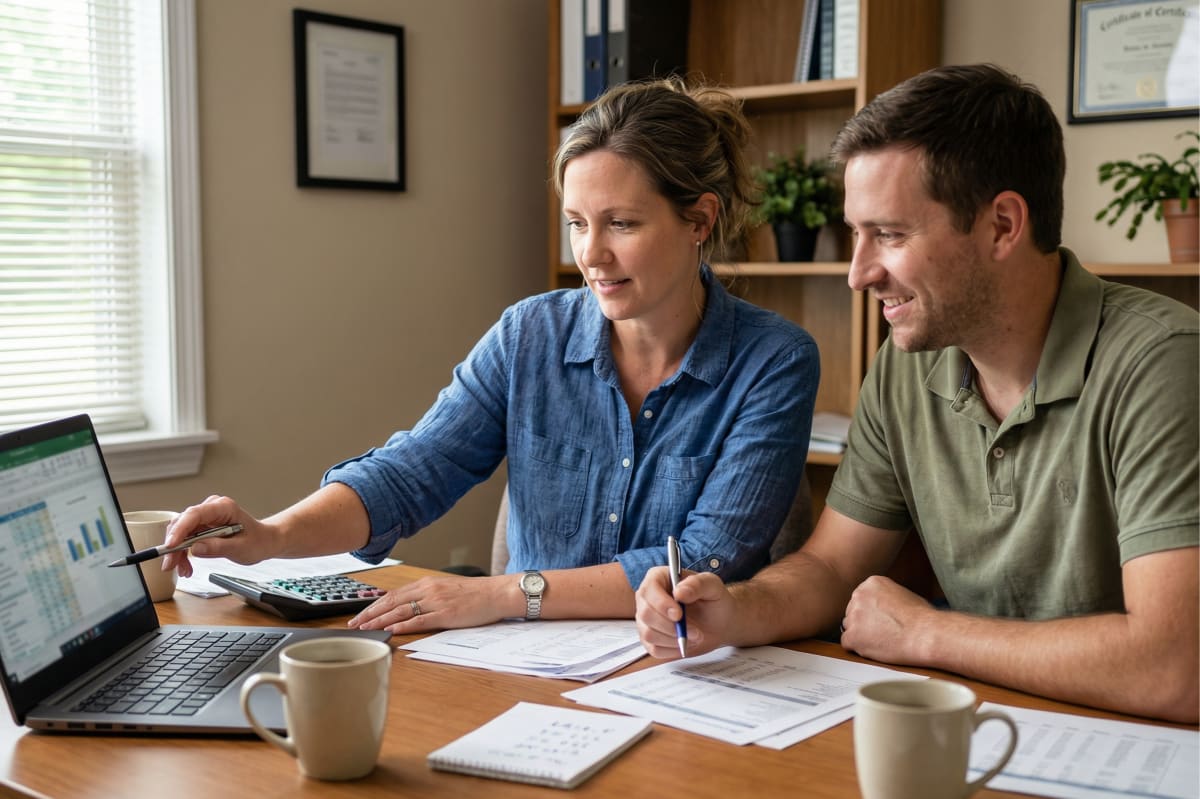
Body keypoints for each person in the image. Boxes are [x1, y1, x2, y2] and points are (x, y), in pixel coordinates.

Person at [635, 64, 1199, 723]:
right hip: (979, 730)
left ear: (1003, 225)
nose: (858, 272)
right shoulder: (905, 367)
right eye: (855, 233)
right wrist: (734, 610)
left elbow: (1176, 666)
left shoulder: (1162, 364)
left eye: (891, 234)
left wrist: (928, 631)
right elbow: (829, 567)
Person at [163, 78, 819, 635]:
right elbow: (414, 470)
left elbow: (704, 559)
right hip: (523, 668)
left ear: (699, 220)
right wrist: (270, 535)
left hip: (686, 674)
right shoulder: (528, 334)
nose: (590, 254)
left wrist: (502, 594)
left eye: (621, 223)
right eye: (577, 222)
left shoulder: (774, 362)